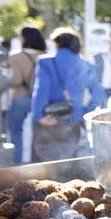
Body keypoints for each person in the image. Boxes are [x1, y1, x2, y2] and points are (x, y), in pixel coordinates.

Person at [31, 27, 92, 161]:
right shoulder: (85, 63)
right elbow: (98, 94)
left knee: (45, 158)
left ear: (57, 43)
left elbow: (42, 89)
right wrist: (85, 111)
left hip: (50, 116)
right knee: (71, 160)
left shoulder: (45, 61)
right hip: (75, 118)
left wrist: (39, 115)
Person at [7, 25, 46, 164]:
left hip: (21, 96)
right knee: (40, 132)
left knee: (16, 130)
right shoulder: (46, 56)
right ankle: (37, 162)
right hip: (41, 99)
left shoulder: (16, 56)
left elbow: (16, 79)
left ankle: (17, 162)